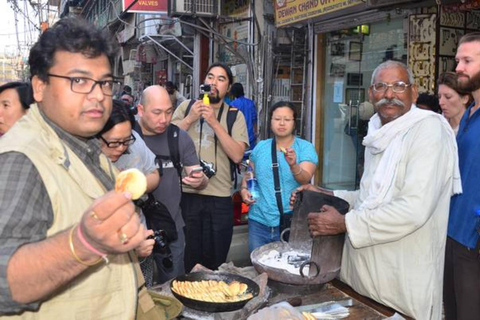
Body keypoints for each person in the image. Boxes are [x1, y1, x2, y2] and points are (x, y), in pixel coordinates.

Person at [0, 18, 158, 318]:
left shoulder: (83, 145)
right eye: (79, 80)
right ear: (39, 86)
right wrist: (84, 243)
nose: (98, 94)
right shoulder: (21, 159)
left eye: (105, 83)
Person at [292, 60, 461, 319]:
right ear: (371, 94)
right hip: (363, 279)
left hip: (400, 281)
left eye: (399, 86)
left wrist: (346, 223)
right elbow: (370, 196)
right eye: (381, 87)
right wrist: (327, 194)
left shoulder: (429, 130)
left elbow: (414, 209)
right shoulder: (377, 132)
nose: (389, 94)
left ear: (414, 93)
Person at [172, 62, 249, 271]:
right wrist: (189, 119)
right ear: (203, 81)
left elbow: (236, 155)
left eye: (221, 79)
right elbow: (167, 140)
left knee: (216, 262)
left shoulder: (235, 115)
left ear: (228, 87)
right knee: (186, 260)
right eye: (210, 77)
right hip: (185, 194)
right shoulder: (186, 107)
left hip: (219, 197)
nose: (214, 83)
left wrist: (214, 122)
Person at [137, 85, 208, 283]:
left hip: (171, 229)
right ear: (141, 110)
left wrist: (200, 180)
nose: (164, 119)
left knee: (174, 288)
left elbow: (199, 178)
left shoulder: (179, 138)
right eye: (157, 113)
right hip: (133, 231)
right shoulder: (126, 137)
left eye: (169, 112)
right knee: (139, 292)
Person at [240, 101, 317, 252]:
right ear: (270, 122)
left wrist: (293, 165)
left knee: (287, 269)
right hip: (258, 222)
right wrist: (244, 190)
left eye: (287, 120)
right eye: (277, 119)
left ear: (294, 123)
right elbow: (250, 175)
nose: (282, 123)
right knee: (259, 269)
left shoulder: (305, 148)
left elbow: (305, 179)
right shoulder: (261, 147)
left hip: (291, 222)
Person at [97, 99, 158, 286]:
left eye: (126, 141)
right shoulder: (83, 161)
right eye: (114, 143)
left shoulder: (134, 140)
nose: (122, 148)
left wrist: (136, 186)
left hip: (140, 240)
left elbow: (154, 174)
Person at [444, 32, 480, 320]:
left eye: (468, 60)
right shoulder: (469, 113)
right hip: (453, 235)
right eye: (458, 60)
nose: (459, 68)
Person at [229, 83, 258, 150]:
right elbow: (254, 119)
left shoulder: (233, 104)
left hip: (238, 135)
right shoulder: (250, 102)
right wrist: (255, 132)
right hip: (250, 134)